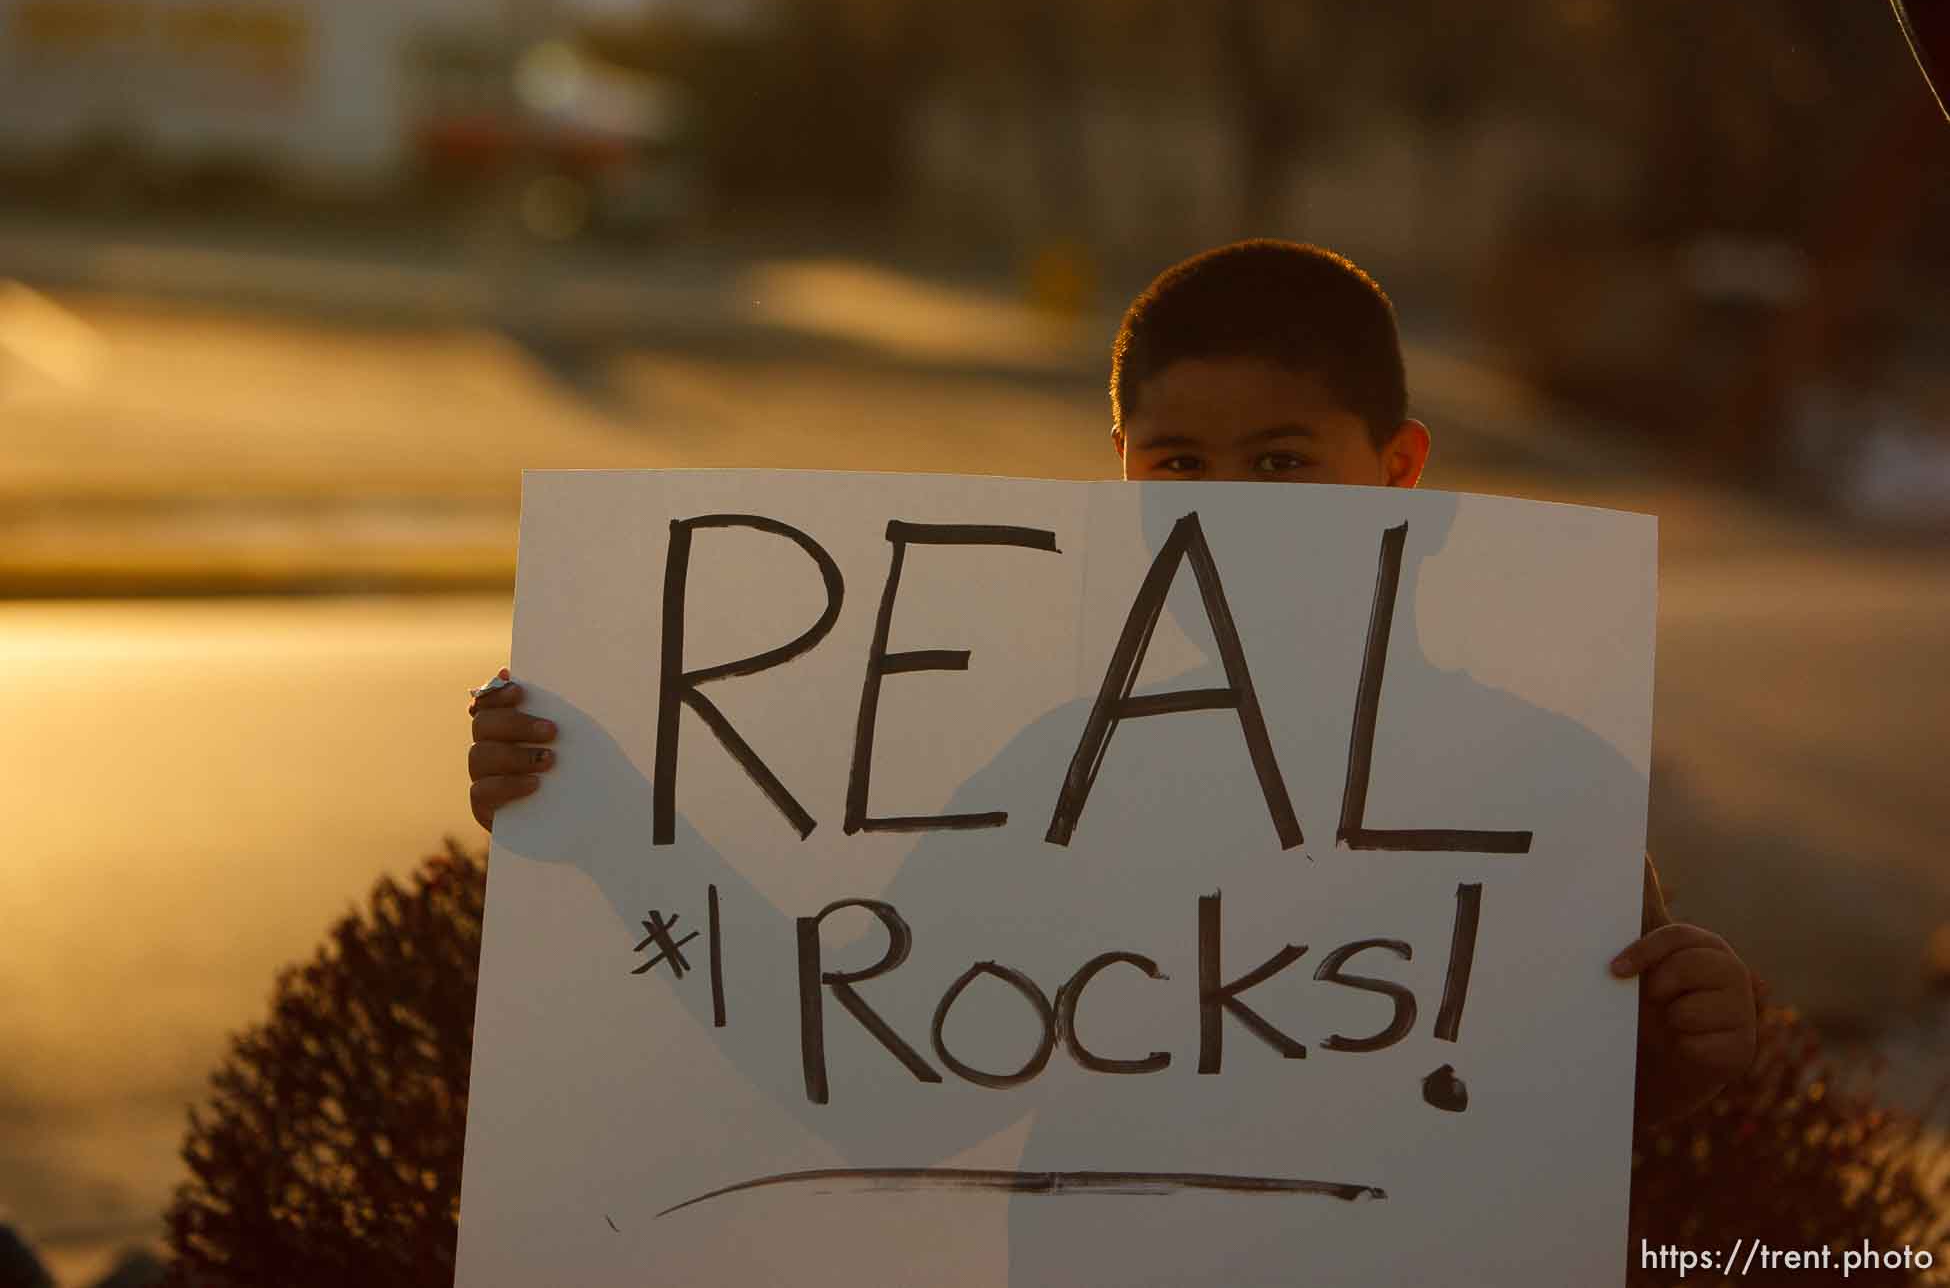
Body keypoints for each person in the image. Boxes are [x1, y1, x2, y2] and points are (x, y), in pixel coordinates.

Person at [466, 238, 1757, 1136]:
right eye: (1178, 464)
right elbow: (874, 1078)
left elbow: (1560, 1119)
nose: (1225, 511)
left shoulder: (1545, 787)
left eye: (1280, 463)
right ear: (1123, 484)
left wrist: (1679, 1057)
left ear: (1399, 469)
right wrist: (615, 832)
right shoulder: (1059, 785)